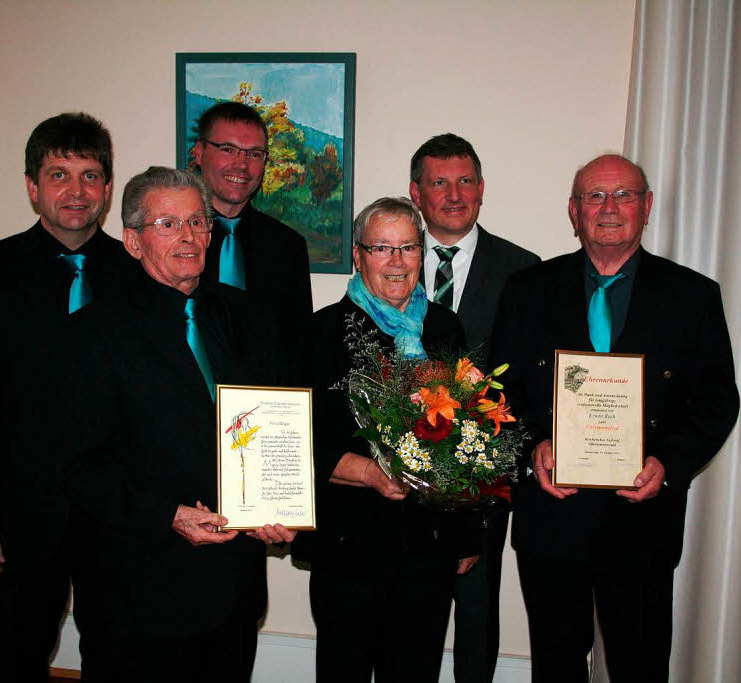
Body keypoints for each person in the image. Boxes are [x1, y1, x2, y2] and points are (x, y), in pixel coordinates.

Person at [490, 154, 739, 682]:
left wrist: (668, 464)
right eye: (594, 197)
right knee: (555, 667)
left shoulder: (693, 296)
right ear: (573, 211)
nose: (609, 208)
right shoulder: (528, 290)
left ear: (647, 207)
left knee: (640, 667)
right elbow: (498, 392)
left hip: (642, 521)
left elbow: (718, 400)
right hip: (553, 518)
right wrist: (533, 445)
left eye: (623, 195)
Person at [55, 167, 295, 681]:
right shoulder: (91, 335)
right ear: (133, 241)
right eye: (167, 224)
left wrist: (279, 504)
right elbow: (78, 467)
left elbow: (275, 429)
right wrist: (169, 514)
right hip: (138, 587)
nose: (188, 237)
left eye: (197, 221)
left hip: (232, 582)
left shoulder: (250, 319)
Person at [0, 112, 135, 680]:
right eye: (58, 174)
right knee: (17, 656)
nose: (76, 191)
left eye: (90, 175)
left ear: (106, 187)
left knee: (117, 652)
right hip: (18, 514)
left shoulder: (136, 272)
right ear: (32, 188)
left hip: (115, 514)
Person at [308, 197, 479, 682]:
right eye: (383, 248)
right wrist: (367, 472)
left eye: (408, 246)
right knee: (344, 669)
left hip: (430, 544)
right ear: (358, 256)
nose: (398, 261)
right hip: (350, 541)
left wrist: (466, 533)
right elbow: (301, 438)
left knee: (416, 670)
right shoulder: (323, 331)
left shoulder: (445, 327)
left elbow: (469, 431)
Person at [409, 133, 540, 682]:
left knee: (478, 610)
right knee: (411, 616)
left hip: (485, 479)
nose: (454, 194)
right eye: (440, 182)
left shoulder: (524, 270)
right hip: (403, 474)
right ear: (416, 193)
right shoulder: (392, 256)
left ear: (482, 190)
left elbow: (532, 380)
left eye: (465, 181)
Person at [191, 100, 313, 340]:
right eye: (228, 149)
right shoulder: (173, 240)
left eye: (255, 154)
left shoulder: (288, 247)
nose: (242, 164)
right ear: (199, 153)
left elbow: (300, 345)